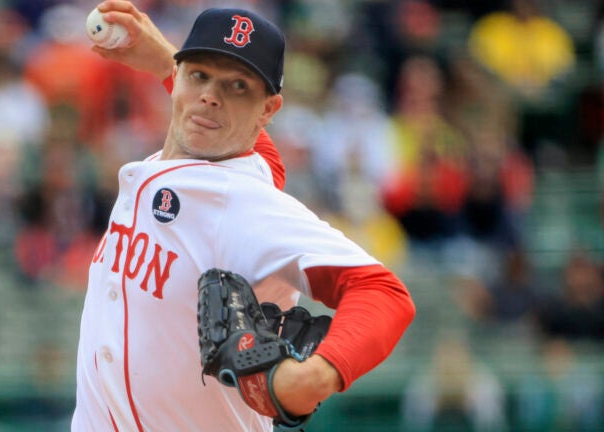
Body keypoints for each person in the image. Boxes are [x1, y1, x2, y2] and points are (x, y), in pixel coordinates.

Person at [72, 2, 416, 431]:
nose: (211, 97)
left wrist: (314, 376)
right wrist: (164, 58)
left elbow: (384, 293)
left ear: (268, 110)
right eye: (199, 75)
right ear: (178, 78)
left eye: (238, 87)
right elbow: (265, 157)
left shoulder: (244, 204)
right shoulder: (233, 165)